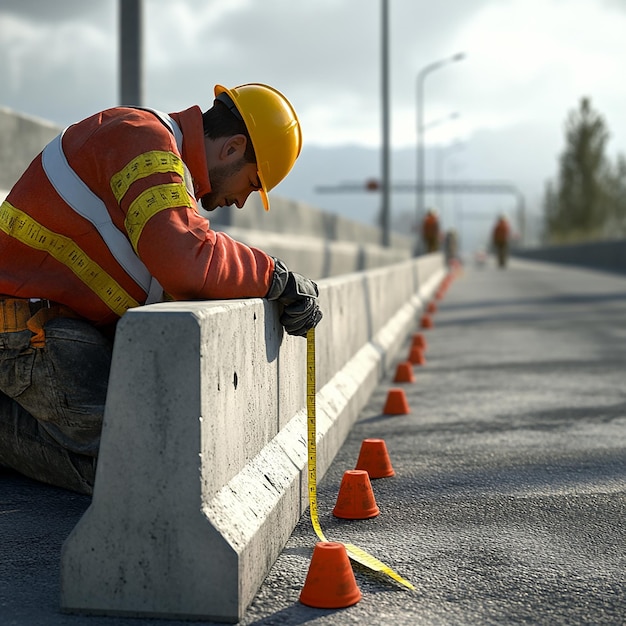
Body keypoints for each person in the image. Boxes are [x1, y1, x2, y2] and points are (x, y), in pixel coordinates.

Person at [0, 83, 322, 494]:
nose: (243, 201)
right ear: (233, 148)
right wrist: (275, 276)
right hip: (27, 334)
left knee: (159, 452)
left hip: (52, 333)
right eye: (253, 182)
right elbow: (185, 261)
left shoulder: (168, 173)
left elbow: (184, 266)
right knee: (140, 465)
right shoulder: (141, 138)